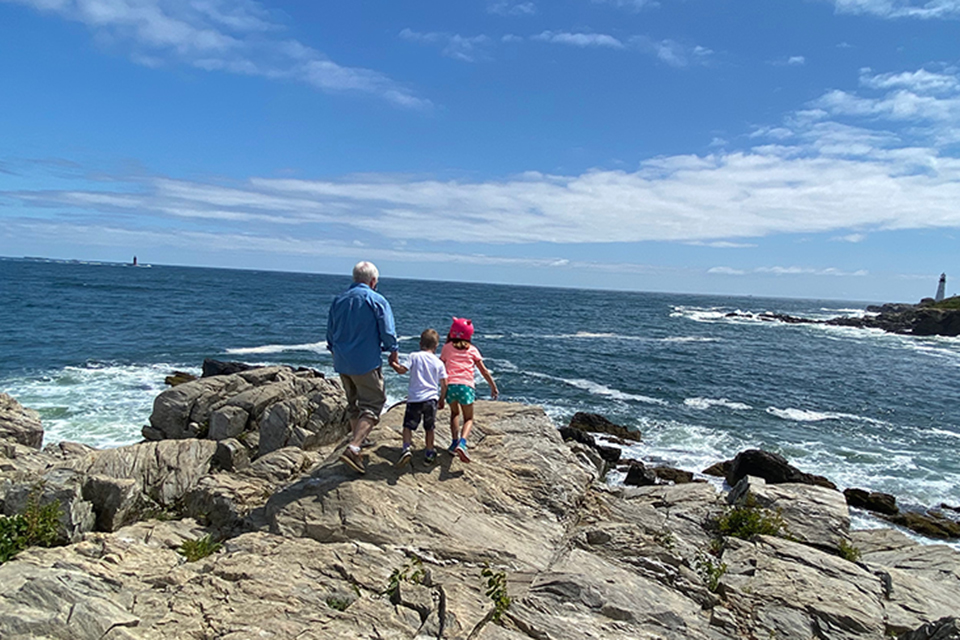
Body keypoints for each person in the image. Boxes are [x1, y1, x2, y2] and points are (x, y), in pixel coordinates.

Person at [327, 261, 399, 473]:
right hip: (365, 361)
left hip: (341, 360)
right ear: (373, 281)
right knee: (374, 403)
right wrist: (393, 354)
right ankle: (355, 446)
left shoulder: (338, 300)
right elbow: (387, 332)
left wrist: (335, 351)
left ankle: (358, 439)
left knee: (353, 403)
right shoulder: (376, 300)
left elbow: (330, 332)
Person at [440, 317, 498, 463]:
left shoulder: (446, 347)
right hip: (466, 387)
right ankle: (463, 443)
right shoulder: (472, 350)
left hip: (450, 386)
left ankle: (454, 442)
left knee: (454, 413)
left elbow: (440, 367)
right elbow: (483, 371)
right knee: (469, 418)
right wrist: (493, 386)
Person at [389, 329, 448, 466]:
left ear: (420, 343)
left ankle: (406, 449)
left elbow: (401, 370)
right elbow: (444, 384)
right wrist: (442, 399)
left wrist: (393, 363)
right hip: (431, 399)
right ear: (436, 346)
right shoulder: (438, 362)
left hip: (415, 398)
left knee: (408, 426)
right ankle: (428, 453)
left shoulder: (414, 356)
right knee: (429, 428)